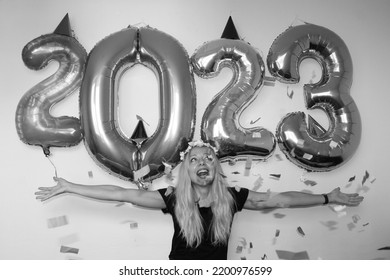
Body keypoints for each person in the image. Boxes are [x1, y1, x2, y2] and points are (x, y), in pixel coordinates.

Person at [35, 140, 364, 260]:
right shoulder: (173, 198)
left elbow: (279, 200)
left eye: (208, 158)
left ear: (216, 167)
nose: (202, 163)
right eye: (194, 159)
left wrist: (325, 196)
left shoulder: (234, 198)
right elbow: (122, 194)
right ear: (185, 170)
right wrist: (70, 186)